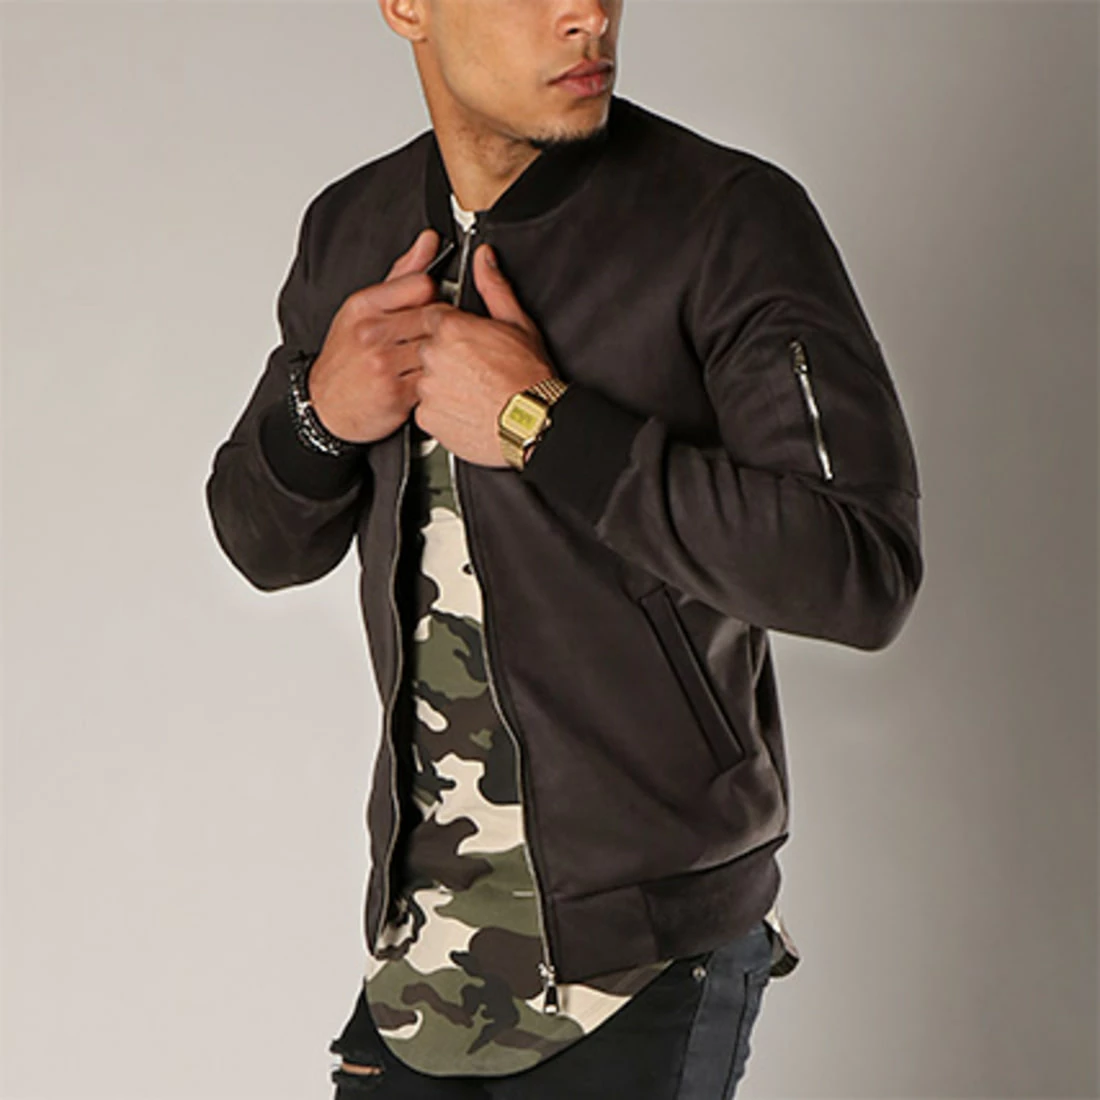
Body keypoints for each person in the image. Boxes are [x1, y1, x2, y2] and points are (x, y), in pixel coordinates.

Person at [204, 1, 923, 1096]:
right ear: (407, 7)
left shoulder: (723, 218)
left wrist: (546, 425)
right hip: (418, 965)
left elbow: (859, 566)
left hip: (643, 957)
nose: (587, 12)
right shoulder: (352, 229)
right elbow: (261, 541)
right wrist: (321, 414)